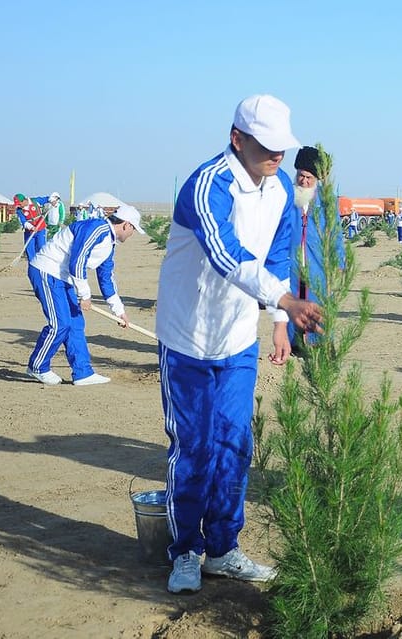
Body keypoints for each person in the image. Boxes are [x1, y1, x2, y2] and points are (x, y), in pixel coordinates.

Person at [155, 94, 323, 594]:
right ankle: (186, 550)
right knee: (193, 447)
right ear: (237, 139)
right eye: (267, 146)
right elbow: (226, 254)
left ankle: (223, 549)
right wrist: (287, 301)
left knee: (234, 443)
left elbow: (275, 259)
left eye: (283, 148)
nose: (278, 157)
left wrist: (277, 321)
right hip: (186, 337)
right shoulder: (207, 185)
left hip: (235, 339)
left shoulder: (279, 194)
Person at [26, 205, 147, 386]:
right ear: (126, 225)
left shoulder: (109, 244)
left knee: (75, 324)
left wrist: (118, 310)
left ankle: (83, 373)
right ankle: (37, 366)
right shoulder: (97, 228)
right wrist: (85, 295)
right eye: (134, 230)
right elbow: (78, 260)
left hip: (64, 277)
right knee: (60, 324)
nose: (132, 234)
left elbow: (106, 278)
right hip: (47, 270)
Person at [287, 145, 346, 349]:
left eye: (309, 177)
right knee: (292, 302)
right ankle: (293, 343)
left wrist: (339, 261)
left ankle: (320, 345)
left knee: (317, 302)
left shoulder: (327, 201)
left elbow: (336, 232)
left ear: (317, 179)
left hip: (317, 262)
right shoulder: (287, 197)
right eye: (301, 176)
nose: (304, 181)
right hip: (291, 261)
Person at [15, 193, 47, 262]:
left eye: (19, 204)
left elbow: (47, 199)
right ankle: (32, 268)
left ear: (24, 201)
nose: (19, 206)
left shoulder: (35, 201)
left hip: (40, 230)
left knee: (41, 248)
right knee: (30, 251)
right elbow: (23, 222)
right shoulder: (19, 210)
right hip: (29, 232)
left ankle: (42, 266)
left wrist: (53, 200)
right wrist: (32, 228)